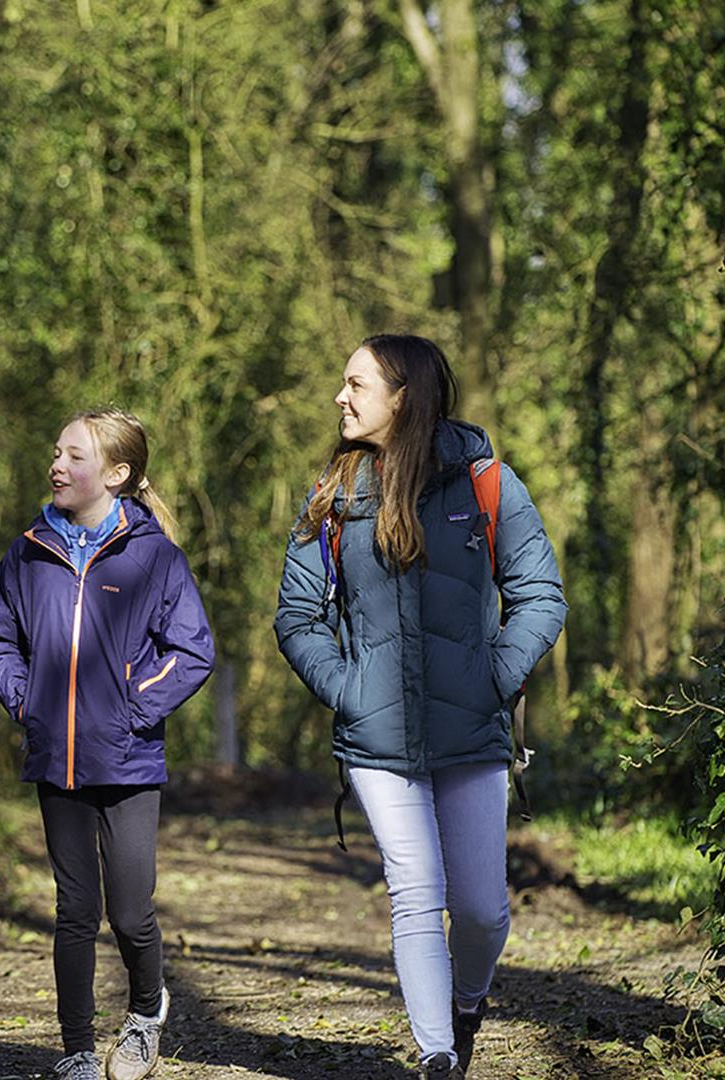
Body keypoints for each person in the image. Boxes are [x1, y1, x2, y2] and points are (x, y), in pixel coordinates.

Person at [274, 335, 566, 1080]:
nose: (340, 397)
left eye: (355, 384)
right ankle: (437, 1056)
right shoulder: (332, 496)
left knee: (480, 912)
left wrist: (491, 678)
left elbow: (540, 597)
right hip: (377, 740)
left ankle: (466, 1007)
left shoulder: (488, 485)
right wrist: (349, 690)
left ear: (403, 396)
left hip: (471, 732)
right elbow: (297, 617)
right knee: (414, 892)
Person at [0, 409, 215, 1080]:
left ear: (116, 474)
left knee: (132, 913)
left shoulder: (154, 556)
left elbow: (192, 650)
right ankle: (76, 1048)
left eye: (75, 457)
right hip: (57, 759)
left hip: (130, 759)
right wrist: (26, 700)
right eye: (57, 452)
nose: (57, 465)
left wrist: (136, 708)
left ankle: (144, 1015)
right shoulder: (27, 552)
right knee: (75, 910)